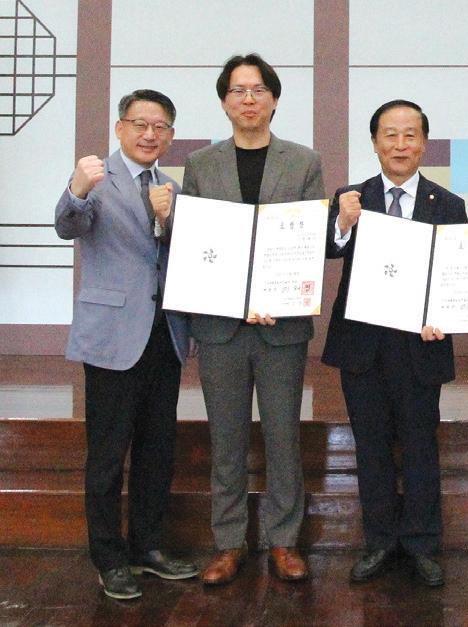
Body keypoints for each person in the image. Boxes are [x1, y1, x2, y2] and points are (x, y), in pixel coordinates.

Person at [169, 53, 324, 585]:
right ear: (224, 102)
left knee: (283, 437)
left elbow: (308, 242)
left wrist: (277, 293)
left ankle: (284, 540)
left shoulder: (303, 162)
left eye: (258, 89)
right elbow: (196, 244)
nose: (249, 99)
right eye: (238, 90)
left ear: (274, 99)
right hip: (220, 327)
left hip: (282, 327)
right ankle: (229, 542)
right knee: (226, 440)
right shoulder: (201, 164)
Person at [54, 89, 198, 599]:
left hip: (164, 336)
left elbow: (182, 258)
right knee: (108, 455)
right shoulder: (96, 178)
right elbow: (67, 225)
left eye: (160, 126)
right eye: (140, 124)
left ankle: (147, 548)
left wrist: (170, 221)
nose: (149, 134)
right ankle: (109, 558)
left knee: (158, 451)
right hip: (113, 336)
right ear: (120, 128)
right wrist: (75, 189)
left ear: (170, 136)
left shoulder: (171, 188)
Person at [322, 100, 467, 587]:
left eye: (410, 135)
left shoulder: (448, 204)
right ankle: (379, 541)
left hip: (421, 347)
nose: (400, 145)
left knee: (422, 447)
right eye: (390, 134)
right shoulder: (351, 197)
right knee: (371, 448)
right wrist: (343, 223)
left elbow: (456, 273)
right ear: (374, 142)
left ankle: (423, 544)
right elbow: (327, 249)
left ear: (423, 143)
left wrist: (442, 313)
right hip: (363, 347)